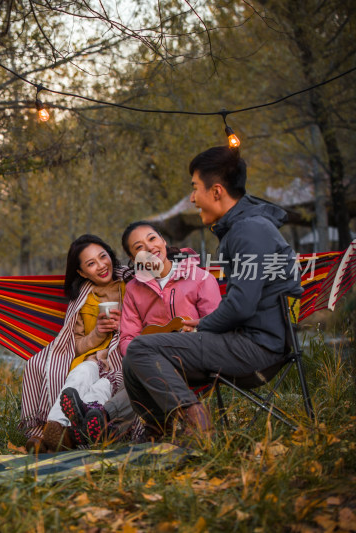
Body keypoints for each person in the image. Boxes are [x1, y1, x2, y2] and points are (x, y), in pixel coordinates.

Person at [122, 146, 302, 441]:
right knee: (135, 358)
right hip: (252, 341)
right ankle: (160, 433)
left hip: (258, 350)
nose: (192, 198)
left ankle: (198, 425)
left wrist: (201, 326)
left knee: (142, 349)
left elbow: (241, 306)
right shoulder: (244, 228)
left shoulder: (248, 231)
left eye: (195, 189)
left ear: (216, 191)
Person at [69, 221, 222, 443]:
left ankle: (99, 417)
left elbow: (216, 324)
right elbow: (127, 338)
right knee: (141, 364)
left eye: (152, 239)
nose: (149, 248)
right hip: (152, 361)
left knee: (145, 370)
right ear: (133, 259)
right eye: (139, 247)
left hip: (195, 356)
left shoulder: (200, 278)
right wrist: (142, 356)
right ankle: (103, 425)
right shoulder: (134, 289)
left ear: (163, 241)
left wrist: (196, 329)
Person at [20, 234, 130, 452]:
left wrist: (124, 325)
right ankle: (55, 429)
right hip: (92, 359)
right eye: (91, 263)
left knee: (100, 389)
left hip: (122, 361)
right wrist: (98, 333)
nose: (101, 266)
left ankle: (68, 436)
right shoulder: (82, 298)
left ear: (111, 255)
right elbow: (75, 345)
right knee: (80, 375)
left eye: (103, 257)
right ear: (81, 272)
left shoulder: (132, 286)